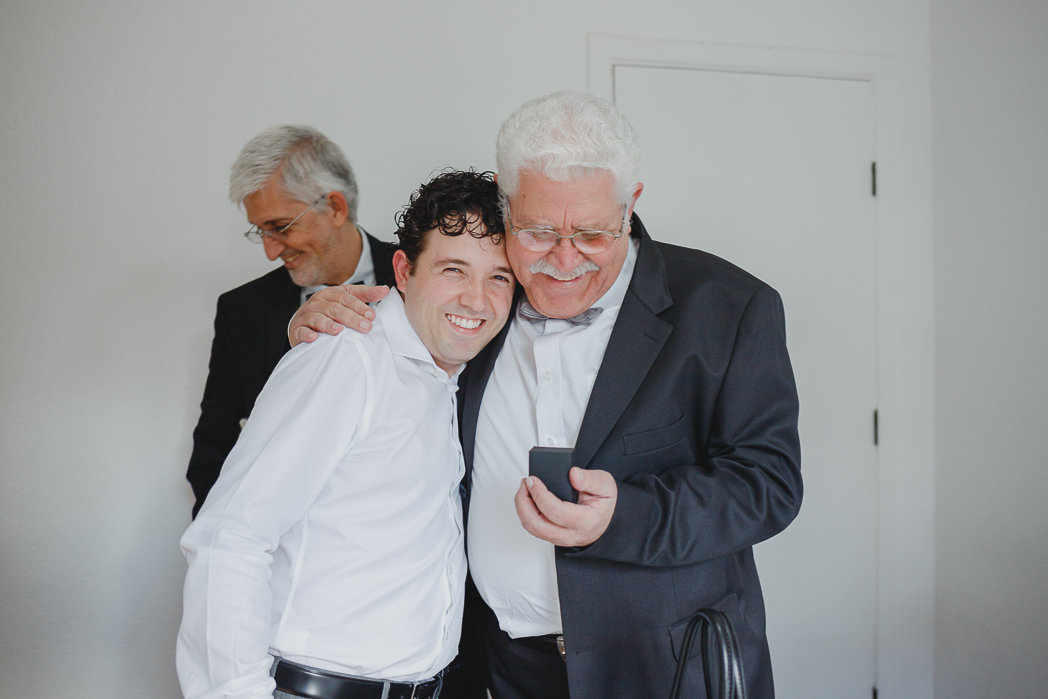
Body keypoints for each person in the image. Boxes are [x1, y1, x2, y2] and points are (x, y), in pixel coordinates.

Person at [291, 91, 803, 699]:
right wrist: (317, 321)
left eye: (592, 234)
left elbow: (769, 484)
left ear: (630, 206)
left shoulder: (729, 307)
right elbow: (403, 325)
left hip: (666, 666)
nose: (563, 260)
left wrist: (624, 516)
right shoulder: (480, 300)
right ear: (504, 207)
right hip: (501, 668)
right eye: (536, 232)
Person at [176, 170, 514, 699]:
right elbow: (230, 539)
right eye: (454, 269)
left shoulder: (455, 372)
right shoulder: (345, 357)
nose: (476, 299)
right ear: (403, 270)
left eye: (499, 277)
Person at [186, 125, 396, 517]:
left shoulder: (423, 278)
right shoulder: (241, 312)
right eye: (261, 231)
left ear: (335, 208)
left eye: (281, 227)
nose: (270, 252)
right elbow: (213, 451)